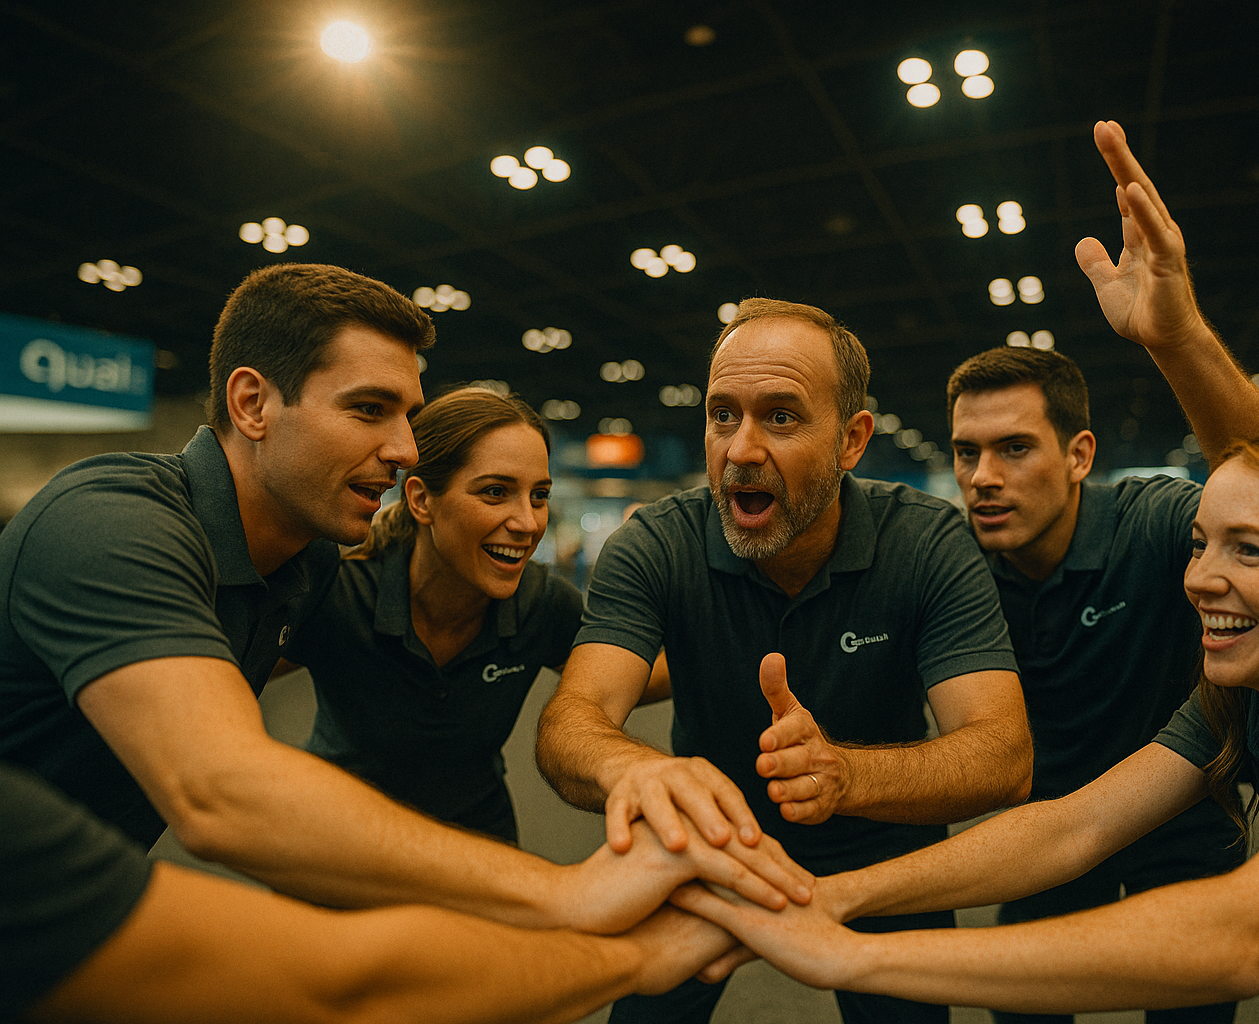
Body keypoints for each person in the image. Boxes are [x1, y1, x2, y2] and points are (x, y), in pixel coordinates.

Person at [0, 262, 809, 939]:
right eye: (367, 409)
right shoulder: (112, 524)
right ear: (251, 404)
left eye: (408, 416)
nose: (400, 450)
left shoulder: (294, 568)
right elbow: (222, 792)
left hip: (62, 913)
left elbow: (634, 676)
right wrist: (563, 893)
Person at [676, 416, 1259, 1023]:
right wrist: (832, 898)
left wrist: (854, 956)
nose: (1199, 578)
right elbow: (1074, 828)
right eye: (1200, 544)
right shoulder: (1248, 698)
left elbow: (1242, 938)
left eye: (1250, 550)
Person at [536, 296, 1032, 1023]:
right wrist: (641, 769)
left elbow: (1004, 753)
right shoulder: (656, 547)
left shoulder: (925, 543)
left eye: (781, 416)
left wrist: (844, 773)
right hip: (708, 851)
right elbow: (570, 724)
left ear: (852, 440)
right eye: (722, 414)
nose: (739, 450)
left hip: (881, 852)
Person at [945, 119, 1259, 1024]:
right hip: (1048, 836)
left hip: (1182, 824)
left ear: (1081, 453)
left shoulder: (1157, 521)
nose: (984, 477)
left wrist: (1175, 340)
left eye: (1014, 448)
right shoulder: (951, 566)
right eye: (966, 453)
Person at [3, 762, 736, 1024]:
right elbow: (347, 987)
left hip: (474, 840)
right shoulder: (338, 589)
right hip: (333, 871)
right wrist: (629, 951)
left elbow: (579, 701)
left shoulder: (535, 602)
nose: (399, 450)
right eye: (369, 406)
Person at [277, 386, 580, 843]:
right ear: (420, 500)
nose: (528, 522)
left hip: (479, 849)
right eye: (496, 492)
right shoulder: (341, 590)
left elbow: (641, 675)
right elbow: (231, 672)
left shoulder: (544, 603)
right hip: (341, 849)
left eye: (539, 496)